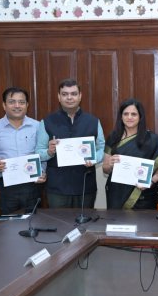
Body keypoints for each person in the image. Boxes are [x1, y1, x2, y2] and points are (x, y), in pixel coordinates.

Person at [35, 78, 105, 208]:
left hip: (85, 185)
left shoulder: (93, 121)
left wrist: (94, 158)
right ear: (59, 97)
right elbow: (39, 152)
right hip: (57, 188)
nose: (69, 98)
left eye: (73, 94)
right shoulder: (47, 122)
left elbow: (101, 148)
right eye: (65, 94)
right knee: (59, 221)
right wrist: (49, 152)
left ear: (80, 96)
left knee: (85, 220)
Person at [0, 88, 44, 215]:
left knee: (34, 222)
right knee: (7, 223)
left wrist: (43, 171)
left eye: (21, 102)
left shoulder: (37, 126)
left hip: (32, 186)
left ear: (27, 105)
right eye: (12, 102)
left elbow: (43, 153)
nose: (17, 106)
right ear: (4, 105)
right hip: (5, 187)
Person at [102, 99, 158, 209]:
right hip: (116, 194)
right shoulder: (113, 137)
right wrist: (110, 164)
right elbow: (105, 169)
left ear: (140, 117)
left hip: (142, 195)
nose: (129, 117)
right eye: (125, 114)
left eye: (134, 114)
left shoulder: (153, 140)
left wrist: (151, 182)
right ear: (121, 117)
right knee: (116, 220)